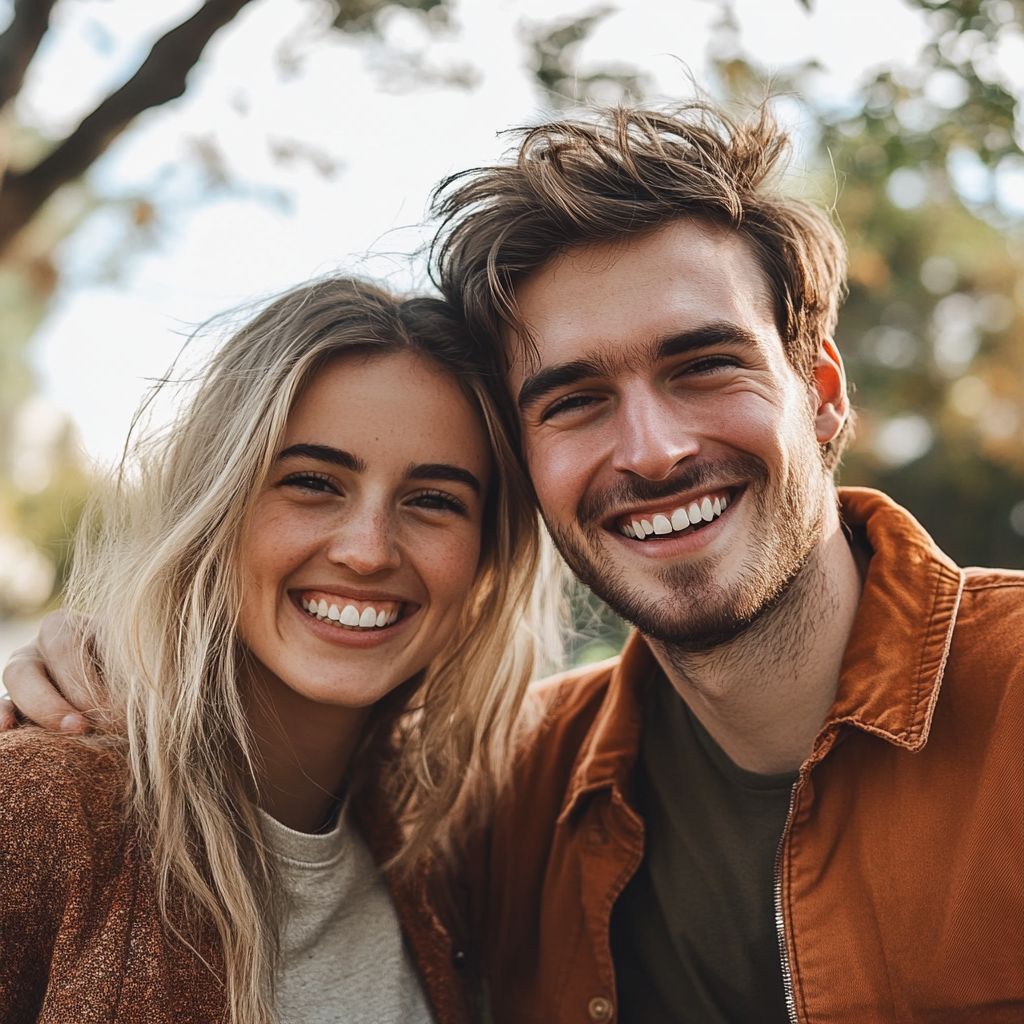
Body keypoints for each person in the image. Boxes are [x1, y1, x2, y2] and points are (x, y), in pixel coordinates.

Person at [6, 103, 1024, 1024]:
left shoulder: (459, 812)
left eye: (703, 364)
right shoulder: (511, 796)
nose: (653, 450)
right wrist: (105, 660)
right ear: (530, 474)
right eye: (575, 398)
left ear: (821, 390)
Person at [0, 277, 551, 1024]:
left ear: (487, 558)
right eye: (314, 482)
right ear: (217, 509)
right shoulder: (41, 806)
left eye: (433, 500)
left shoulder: (449, 841)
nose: (367, 551)